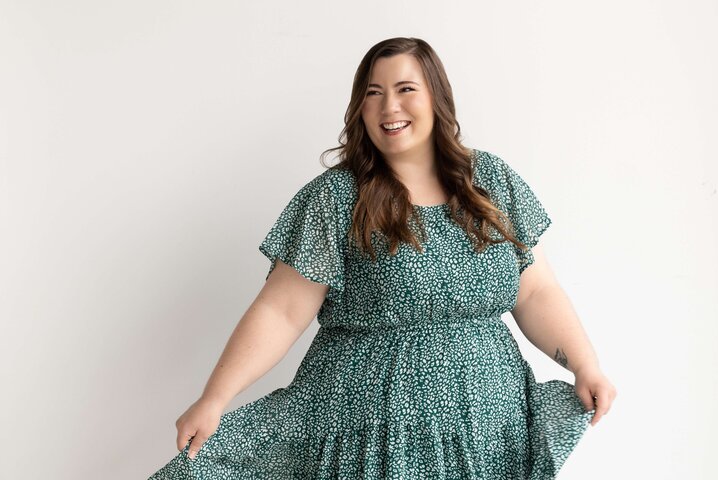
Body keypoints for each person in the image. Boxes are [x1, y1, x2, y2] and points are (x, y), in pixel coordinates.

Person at [148, 36, 616, 479]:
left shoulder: (489, 181)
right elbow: (282, 310)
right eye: (373, 93)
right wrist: (214, 399)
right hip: (367, 431)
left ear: (436, 97)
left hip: (489, 427)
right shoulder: (337, 197)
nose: (389, 107)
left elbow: (535, 291)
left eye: (405, 89)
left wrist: (584, 364)